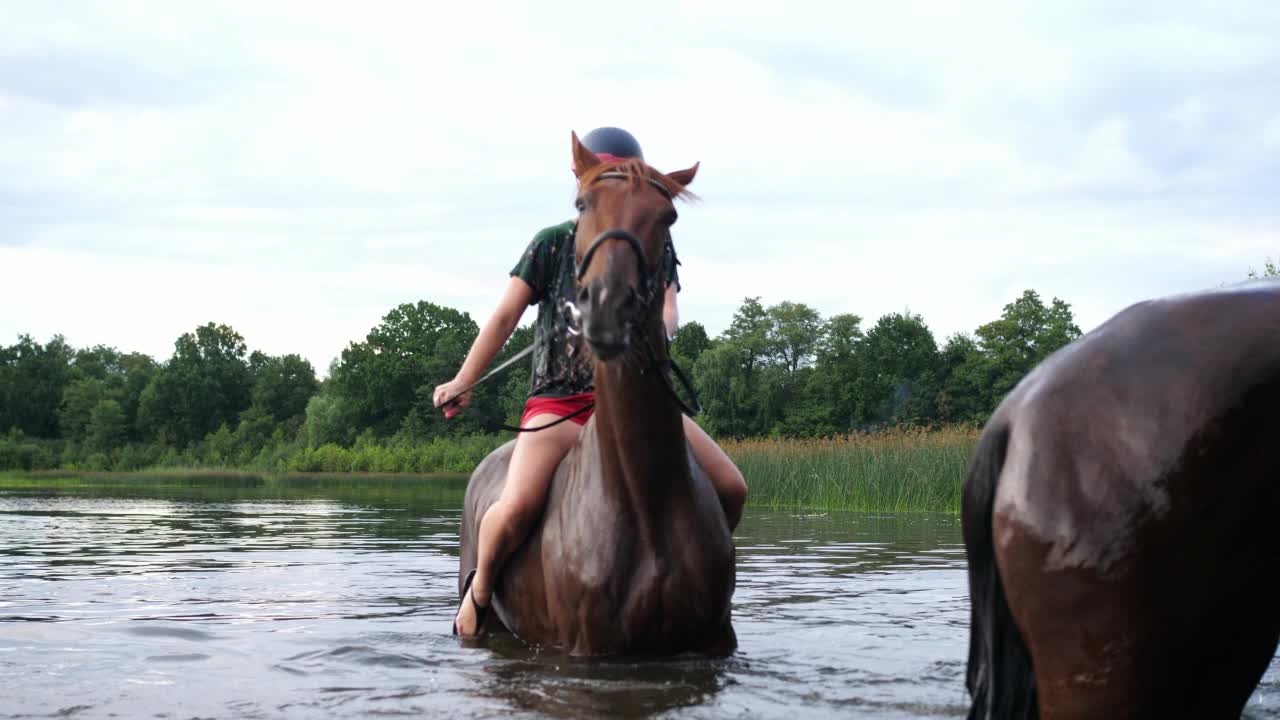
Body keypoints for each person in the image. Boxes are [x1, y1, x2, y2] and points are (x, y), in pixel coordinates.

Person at [433, 127, 748, 638]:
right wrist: (464, 379)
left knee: (732, 486)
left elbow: (670, 313)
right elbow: (505, 315)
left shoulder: (654, 241)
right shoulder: (552, 243)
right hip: (560, 404)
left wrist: (647, 325)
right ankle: (481, 593)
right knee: (512, 508)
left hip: (638, 398)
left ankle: (697, 581)